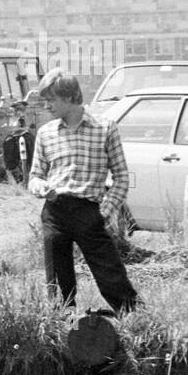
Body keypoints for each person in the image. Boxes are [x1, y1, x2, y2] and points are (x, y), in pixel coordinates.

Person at [27, 70, 139, 314]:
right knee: (57, 281)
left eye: (51, 100)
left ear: (68, 97)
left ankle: (136, 322)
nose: (47, 106)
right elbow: (34, 176)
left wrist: (105, 213)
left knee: (110, 274)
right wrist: (40, 187)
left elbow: (121, 177)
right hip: (55, 211)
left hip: (88, 211)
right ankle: (63, 328)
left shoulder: (104, 128)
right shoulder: (46, 133)